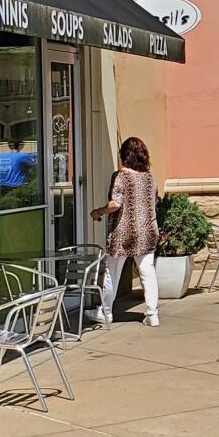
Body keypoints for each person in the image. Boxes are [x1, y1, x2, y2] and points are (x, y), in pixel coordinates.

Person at [87, 137, 160, 327]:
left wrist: (98, 211)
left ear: (124, 155)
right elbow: (154, 202)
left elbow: (115, 204)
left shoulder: (121, 176)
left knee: (113, 273)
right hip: (147, 231)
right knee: (147, 272)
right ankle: (152, 313)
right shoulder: (151, 178)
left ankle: (106, 312)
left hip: (123, 232)